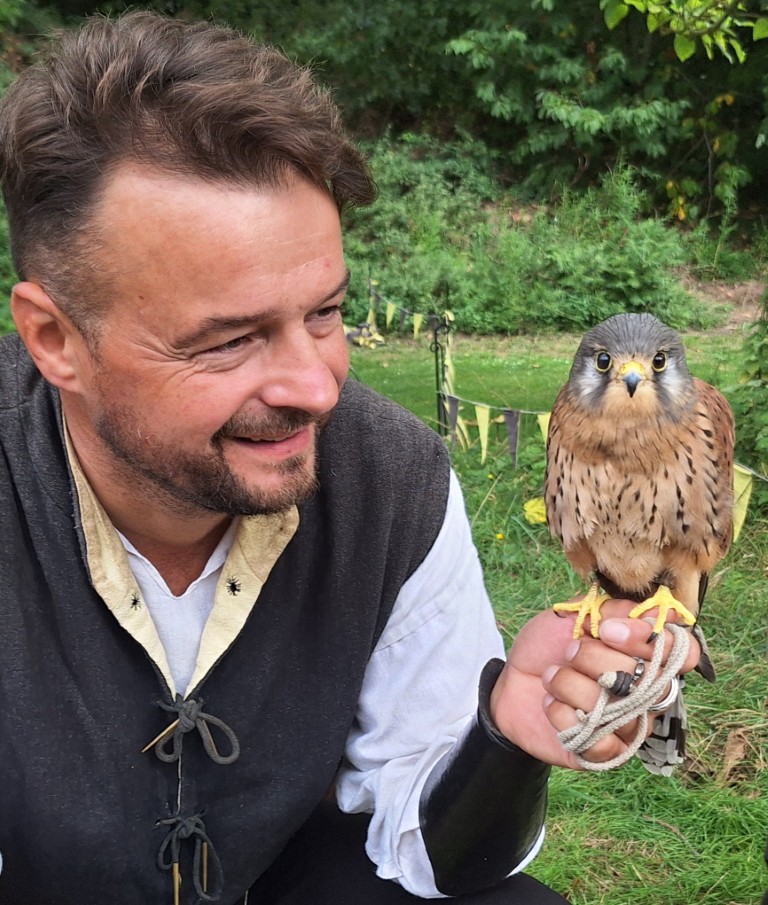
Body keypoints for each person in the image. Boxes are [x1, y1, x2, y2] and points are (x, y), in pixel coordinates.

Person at [0, 12, 701, 905]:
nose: (318, 387)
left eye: (325, 313)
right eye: (228, 340)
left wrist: (502, 739)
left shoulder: (393, 478)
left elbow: (441, 855)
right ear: (55, 339)